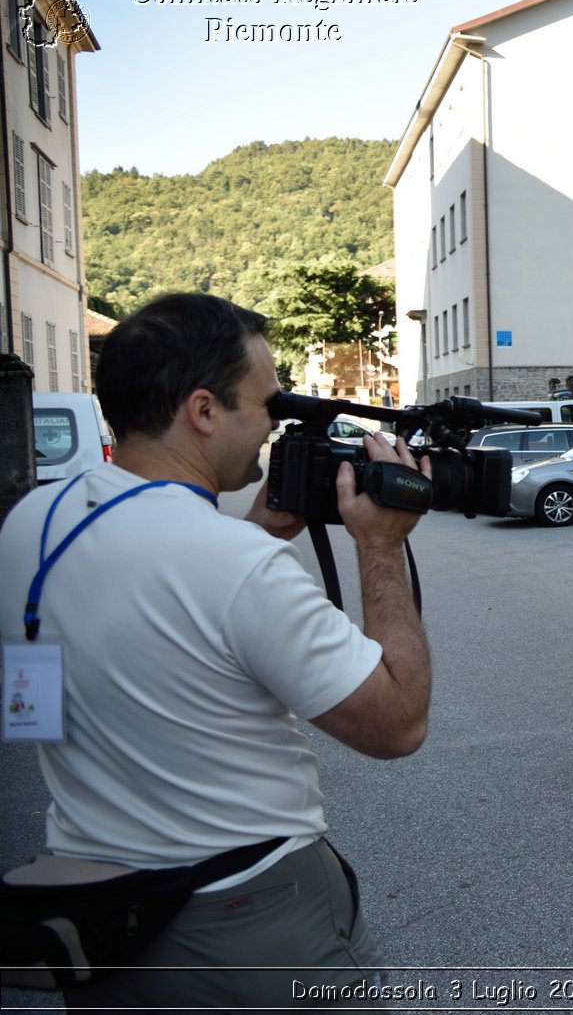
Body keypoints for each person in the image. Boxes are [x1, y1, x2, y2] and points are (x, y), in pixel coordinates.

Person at [0, 293, 432, 1008]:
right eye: (266, 406)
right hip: (249, 921)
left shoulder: (29, 529)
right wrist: (381, 548)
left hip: (103, 919)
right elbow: (398, 724)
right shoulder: (235, 564)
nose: (272, 426)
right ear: (203, 411)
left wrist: (253, 535)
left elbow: (36, 710)